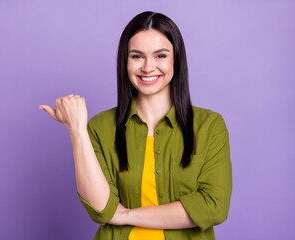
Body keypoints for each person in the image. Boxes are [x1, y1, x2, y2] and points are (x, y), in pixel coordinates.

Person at [39, 11, 232, 240]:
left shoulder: (210, 126)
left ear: (176, 59)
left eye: (160, 55)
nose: (148, 67)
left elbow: (213, 206)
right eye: (137, 56)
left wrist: (125, 215)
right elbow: (102, 209)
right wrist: (77, 130)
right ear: (125, 61)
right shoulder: (100, 127)